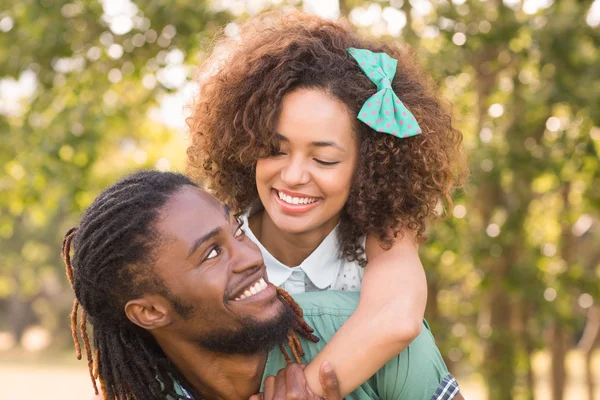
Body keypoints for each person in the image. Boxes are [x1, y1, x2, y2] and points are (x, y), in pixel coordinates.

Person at [186, 10, 468, 396]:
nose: (294, 175)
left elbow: (399, 319)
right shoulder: (219, 246)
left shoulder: (385, 238)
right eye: (274, 150)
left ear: (368, 167)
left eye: (324, 159)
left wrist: (307, 389)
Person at [64, 170, 462, 400]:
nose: (252, 256)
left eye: (236, 229)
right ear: (150, 312)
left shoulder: (366, 332)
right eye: (212, 254)